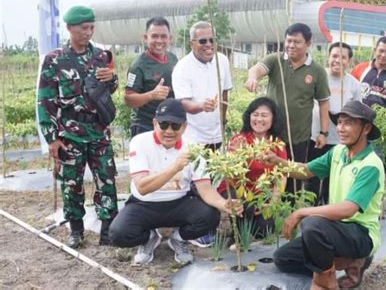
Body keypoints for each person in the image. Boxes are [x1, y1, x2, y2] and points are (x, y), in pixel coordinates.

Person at [264, 100, 385, 289]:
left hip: (361, 233)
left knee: (312, 224)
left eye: (349, 123)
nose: (341, 129)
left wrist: (302, 212)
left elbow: (348, 209)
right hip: (335, 229)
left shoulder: (370, 165)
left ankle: (326, 280)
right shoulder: (338, 152)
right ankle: (350, 263)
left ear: (366, 128)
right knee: (284, 258)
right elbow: (304, 171)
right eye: (340, 123)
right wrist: (276, 161)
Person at [108, 99, 242, 265]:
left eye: (175, 126)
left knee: (210, 216)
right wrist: (175, 167)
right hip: (144, 204)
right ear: (155, 123)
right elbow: (142, 187)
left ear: (184, 127)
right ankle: (150, 237)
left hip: (178, 203)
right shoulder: (140, 142)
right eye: (163, 125)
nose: (169, 131)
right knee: (118, 234)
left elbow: (205, 188)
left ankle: (179, 239)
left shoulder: (193, 147)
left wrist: (224, 204)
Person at [37, 6, 118, 248]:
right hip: (71, 133)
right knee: (72, 183)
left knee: (107, 179)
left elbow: (107, 92)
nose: (89, 32)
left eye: (92, 27)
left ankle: (107, 230)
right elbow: (46, 100)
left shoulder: (102, 56)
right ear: (70, 28)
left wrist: (111, 80)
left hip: (99, 131)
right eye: (84, 28)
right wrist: (52, 138)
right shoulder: (55, 60)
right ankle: (76, 230)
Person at [245, 23, 330, 195]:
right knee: (267, 175)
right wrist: (252, 78)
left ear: (308, 44)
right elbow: (257, 69)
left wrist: (323, 132)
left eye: (297, 42)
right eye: (288, 41)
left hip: (298, 137)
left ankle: (289, 214)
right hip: (271, 135)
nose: (291, 45)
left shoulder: (317, 71)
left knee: (292, 178)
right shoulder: (275, 60)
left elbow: (323, 102)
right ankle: (265, 214)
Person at [216, 97, 287, 238]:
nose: (259, 119)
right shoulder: (239, 140)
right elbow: (231, 175)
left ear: (273, 119)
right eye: (255, 114)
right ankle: (237, 236)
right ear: (249, 117)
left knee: (265, 230)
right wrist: (238, 155)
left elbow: (282, 175)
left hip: (261, 195)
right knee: (245, 206)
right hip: (237, 190)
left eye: (264, 115)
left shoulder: (277, 144)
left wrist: (272, 203)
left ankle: (249, 226)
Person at [309, 42, 361, 205]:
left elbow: (358, 112)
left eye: (343, 57)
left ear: (349, 61)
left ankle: (328, 211)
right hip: (315, 138)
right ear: (328, 57)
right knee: (313, 178)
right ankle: (312, 209)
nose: (338, 60)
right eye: (334, 56)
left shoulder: (353, 84)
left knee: (333, 180)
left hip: (340, 142)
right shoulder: (318, 77)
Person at [172, 21, 232, 151]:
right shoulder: (182, 68)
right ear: (191, 43)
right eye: (203, 41)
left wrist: (222, 120)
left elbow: (225, 93)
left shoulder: (222, 60)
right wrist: (201, 106)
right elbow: (184, 103)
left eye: (212, 40)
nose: (209, 44)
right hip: (193, 138)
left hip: (218, 135)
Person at [125, 17, 178, 137]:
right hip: (144, 126)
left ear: (170, 39)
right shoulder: (138, 65)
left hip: (168, 124)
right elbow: (128, 99)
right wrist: (152, 95)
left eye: (164, 36)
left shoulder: (173, 59)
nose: (159, 41)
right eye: (154, 36)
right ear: (145, 38)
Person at [352, 36, 386, 111]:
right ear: (375, 50)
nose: (383, 55)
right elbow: (349, 94)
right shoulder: (360, 68)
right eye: (381, 51)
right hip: (357, 119)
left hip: (381, 121)